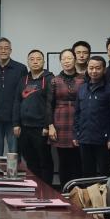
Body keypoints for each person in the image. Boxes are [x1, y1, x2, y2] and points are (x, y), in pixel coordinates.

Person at [72, 56, 110, 179]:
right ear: (87, 69)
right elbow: (77, 113)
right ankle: (89, 192)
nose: (94, 71)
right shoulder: (82, 88)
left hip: (103, 140)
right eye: (91, 68)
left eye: (98, 68)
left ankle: (105, 192)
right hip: (84, 138)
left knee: (105, 172)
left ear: (104, 70)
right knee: (87, 172)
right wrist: (76, 134)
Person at [12, 49, 54, 186]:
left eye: (38, 59)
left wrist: (47, 126)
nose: (35, 62)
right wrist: (16, 124)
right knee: (30, 161)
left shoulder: (49, 79)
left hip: (41, 128)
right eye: (32, 59)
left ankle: (46, 189)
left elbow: (51, 104)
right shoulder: (23, 80)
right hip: (24, 128)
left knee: (44, 160)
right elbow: (17, 102)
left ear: (44, 61)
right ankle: (34, 187)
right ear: (28, 62)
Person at [48, 48, 83, 190]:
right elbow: (49, 104)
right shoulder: (54, 80)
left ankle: (78, 194)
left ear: (75, 60)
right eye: (64, 59)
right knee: (63, 160)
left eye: (69, 58)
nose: (67, 61)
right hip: (60, 122)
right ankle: (65, 191)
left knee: (78, 160)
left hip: (79, 121)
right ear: (60, 61)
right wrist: (50, 125)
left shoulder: (83, 79)